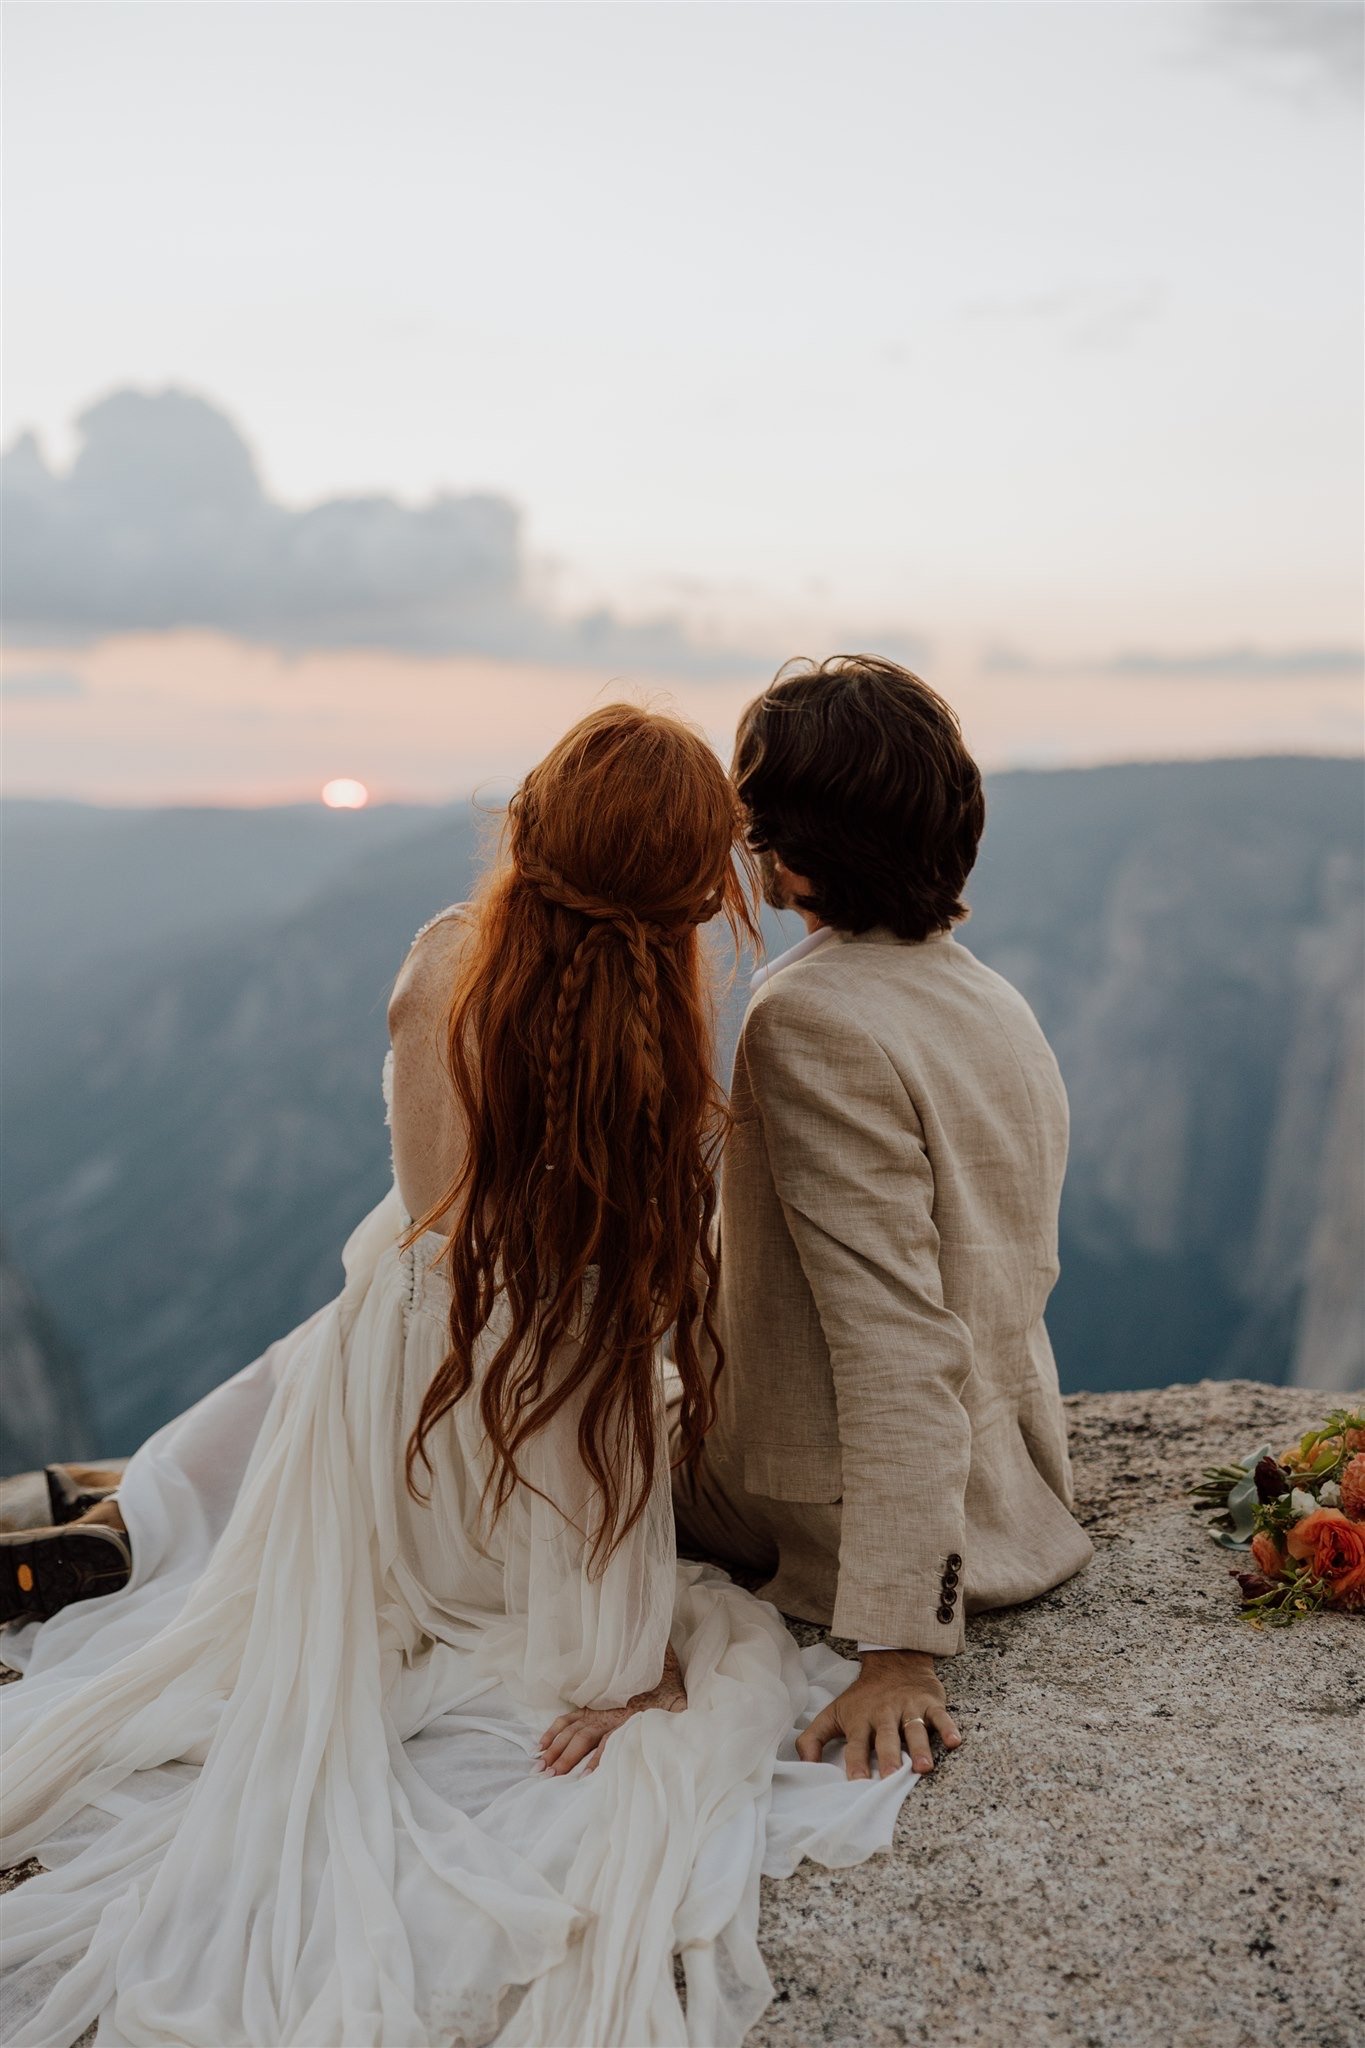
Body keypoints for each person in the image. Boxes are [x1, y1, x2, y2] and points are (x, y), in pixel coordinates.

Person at [0, 704, 922, 2048]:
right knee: (307, 1399)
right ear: (690, 895)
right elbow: (591, 1394)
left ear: (531, 825)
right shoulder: (659, 1060)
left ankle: (112, 1519)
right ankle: (115, 1519)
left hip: (388, 1390)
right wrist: (633, 1663)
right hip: (509, 1450)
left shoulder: (442, 956)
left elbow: (430, 1267)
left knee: (292, 1378)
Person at [672, 655, 1096, 1781]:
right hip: (1004, 1471)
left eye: (752, 811)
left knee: (492, 1383)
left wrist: (900, 1643)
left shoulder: (807, 1014)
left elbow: (894, 1332)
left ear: (794, 841)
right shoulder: (984, 992)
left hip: (827, 1500)